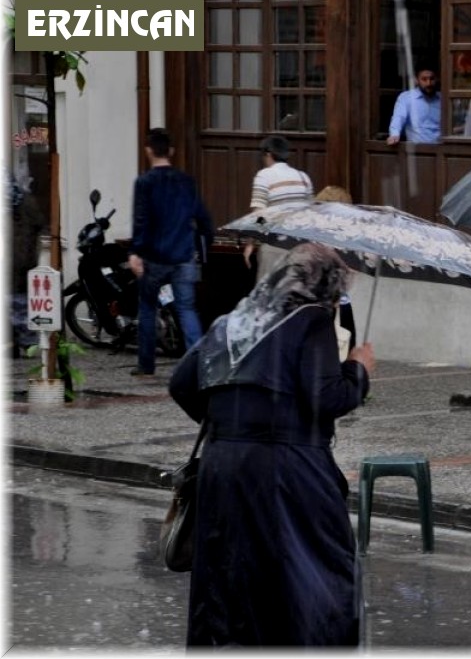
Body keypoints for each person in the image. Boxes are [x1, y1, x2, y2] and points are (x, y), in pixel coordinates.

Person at [169, 242, 376, 648]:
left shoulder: (232, 321)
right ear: (324, 288)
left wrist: (231, 425)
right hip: (286, 471)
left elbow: (181, 384)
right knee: (305, 575)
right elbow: (326, 399)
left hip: (222, 464)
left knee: (232, 580)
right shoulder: (311, 319)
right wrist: (359, 368)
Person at [128, 127, 214, 377]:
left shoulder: (145, 182)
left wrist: (135, 251)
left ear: (148, 151)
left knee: (147, 308)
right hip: (183, 254)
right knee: (186, 309)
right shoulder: (186, 181)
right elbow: (203, 217)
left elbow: (141, 220)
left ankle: (146, 364)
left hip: (153, 255)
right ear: (172, 151)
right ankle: (198, 366)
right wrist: (204, 245)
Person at [243, 135, 313, 279]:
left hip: (274, 243)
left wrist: (252, 241)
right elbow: (311, 212)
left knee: (269, 292)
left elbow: (259, 212)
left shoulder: (264, 176)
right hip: (300, 245)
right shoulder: (303, 177)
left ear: (268, 154)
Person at [313, 185, 358, 352]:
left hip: (323, 301)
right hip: (338, 300)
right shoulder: (345, 235)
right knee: (344, 347)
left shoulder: (315, 233)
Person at [8, 174, 44, 358]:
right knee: (21, 302)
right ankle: (28, 343)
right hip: (25, 258)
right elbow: (39, 223)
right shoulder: (25, 199)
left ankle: (12, 343)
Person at [387, 67, 441, 145]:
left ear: (436, 79)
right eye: (424, 79)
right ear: (416, 80)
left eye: (431, 79)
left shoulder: (443, 99)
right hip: (417, 151)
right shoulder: (407, 98)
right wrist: (394, 135)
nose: (428, 83)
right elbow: (399, 118)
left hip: (441, 150)